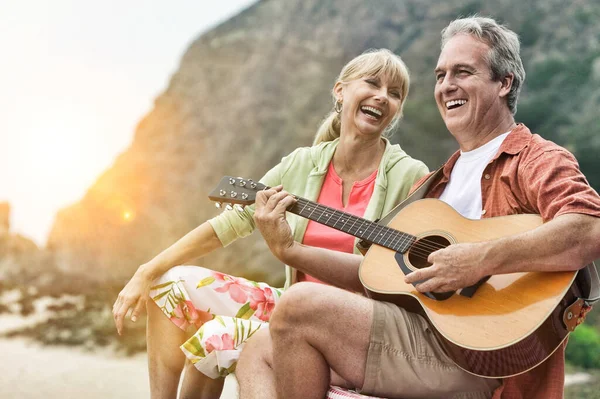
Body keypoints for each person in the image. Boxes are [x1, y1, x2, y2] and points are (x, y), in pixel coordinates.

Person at [237, 16, 600, 399]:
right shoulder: (437, 181)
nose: (447, 86)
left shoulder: (533, 157)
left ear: (504, 83)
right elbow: (377, 275)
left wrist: (480, 260)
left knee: (298, 304)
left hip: (478, 361)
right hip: (422, 337)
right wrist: (290, 251)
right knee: (257, 352)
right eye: (440, 75)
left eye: (463, 72)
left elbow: (589, 229)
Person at [111, 48, 428, 399]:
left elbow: (405, 272)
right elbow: (231, 223)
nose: (383, 96)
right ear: (340, 91)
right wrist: (147, 270)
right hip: (291, 306)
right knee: (169, 284)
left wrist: (290, 249)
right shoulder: (301, 164)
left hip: (355, 324)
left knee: (217, 337)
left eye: (395, 93)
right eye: (372, 83)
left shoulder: (409, 175)